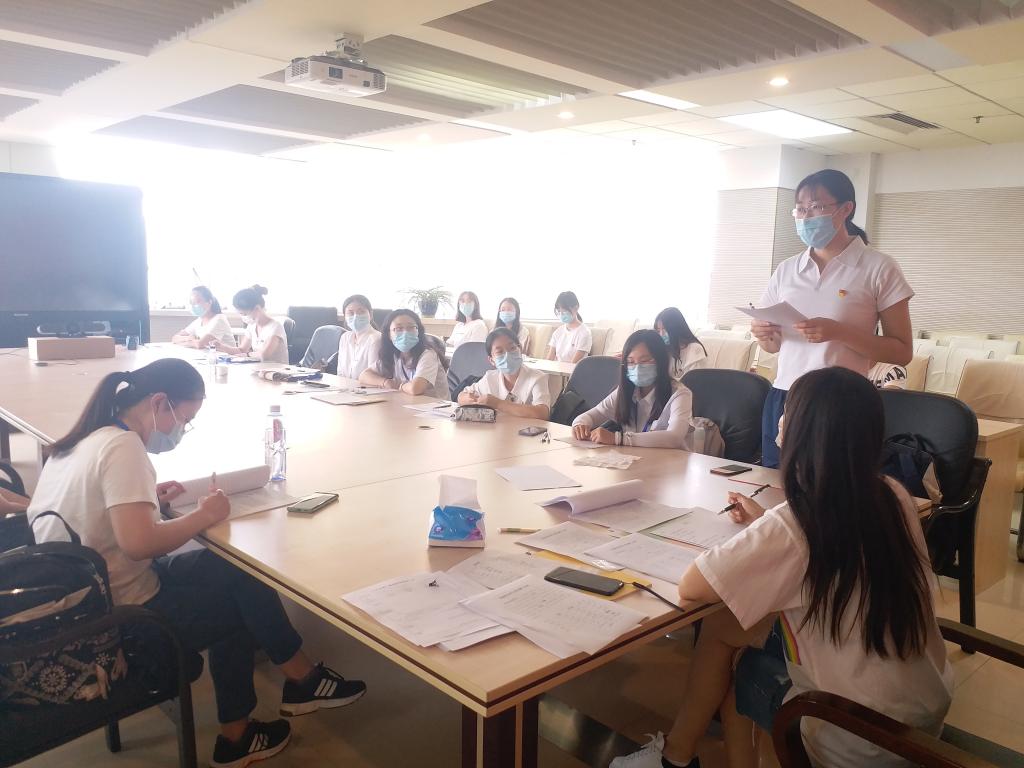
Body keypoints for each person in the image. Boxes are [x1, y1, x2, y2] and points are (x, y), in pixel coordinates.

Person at [27, 359, 366, 767]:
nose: (180, 430)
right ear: (159, 403)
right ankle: (240, 737)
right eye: (184, 419)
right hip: (123, 614)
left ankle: (301, 679)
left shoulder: (85, 438)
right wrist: (203, 516)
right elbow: (139, 544)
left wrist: (146, 498)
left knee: (239, 569)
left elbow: (94, 511)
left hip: (86, 599)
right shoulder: (124, 447)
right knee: (238, 611)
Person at [610, 368, 952, 768]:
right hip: (923, 712)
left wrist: (766, 531)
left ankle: (676, 756)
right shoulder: (892, 494)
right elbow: (824, 551)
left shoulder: (798, 522)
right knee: (727, 625)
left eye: (788, 412)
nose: (780, 420)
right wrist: (765, 524)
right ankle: (676, 755)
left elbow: (693, 587)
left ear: (802, 433)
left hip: (854, 736)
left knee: (740, 661)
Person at [751, 169, 913, 468]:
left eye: (816, 207)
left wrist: (839, 332)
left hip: (842, 401)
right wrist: (765, 334)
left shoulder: (878, 267)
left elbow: (902, 352)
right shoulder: (787, 269)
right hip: (786, 394)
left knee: (834, 485)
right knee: (776, 481)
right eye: (800, 209)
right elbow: (773, 347)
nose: (806, 216)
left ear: (845, 208)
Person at [571, 329, 692, 449]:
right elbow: (594, 414)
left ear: (661, 361)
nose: (637, 368)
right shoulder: (627, 391)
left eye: (644, 361)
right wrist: (580, 424)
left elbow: (675, 437)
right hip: (637, 457)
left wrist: (619, 438)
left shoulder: (680, 394)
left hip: (672, 459)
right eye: (630, 362)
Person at [458, 328, 550, 419]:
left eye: (512, 348)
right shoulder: (490, 377)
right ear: (491, 360)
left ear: (520, 349)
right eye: (499, 352)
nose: (507, 355)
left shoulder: (537, 377)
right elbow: (462, 396)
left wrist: (497, 403)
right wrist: (469, 399)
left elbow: (542, 413)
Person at [360, 309, 448, 398]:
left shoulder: (428, 354)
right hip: (408, 403)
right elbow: (364, 375)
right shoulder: (394, 354)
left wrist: (399, 386)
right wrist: (386, 382)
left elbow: (415, 388)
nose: (405, 332)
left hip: (435, 405)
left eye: (411, 327)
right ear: (389, 334)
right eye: (398, 329)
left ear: (418, 332)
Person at [214, 285, 289, 364]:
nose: (243, 317)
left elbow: (264, 355)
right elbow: (241, 350)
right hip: (259, 368)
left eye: (244, 314)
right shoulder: (252, 326)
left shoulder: (275, 327)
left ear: (257, 309)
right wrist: (221, 346)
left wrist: (247, 355)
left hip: (277, 370)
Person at [336, 294, 381, 380]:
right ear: (345, 316)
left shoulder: (376, 339)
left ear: (371, 314)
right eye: (351, 313)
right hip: (344, 386)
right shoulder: (344, 337)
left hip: (366, 387)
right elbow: (340, 373)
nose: (356, 316)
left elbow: (373, 376)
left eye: (361, 312)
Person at [655, 307, 707, 379]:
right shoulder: (666, 349)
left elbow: (694, 380)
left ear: (676, 328)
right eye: (658, 330)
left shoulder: (694, 349)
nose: (661, 334)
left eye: (665, 329)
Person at [547, 290, 591, 364]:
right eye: (559, 311)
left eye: (565, 311)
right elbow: (549, 359)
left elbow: (573, 365)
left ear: (576, 307)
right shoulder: (558, 332)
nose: (562, 315)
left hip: (573, 370)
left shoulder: (584, 333)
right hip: (556, 369)